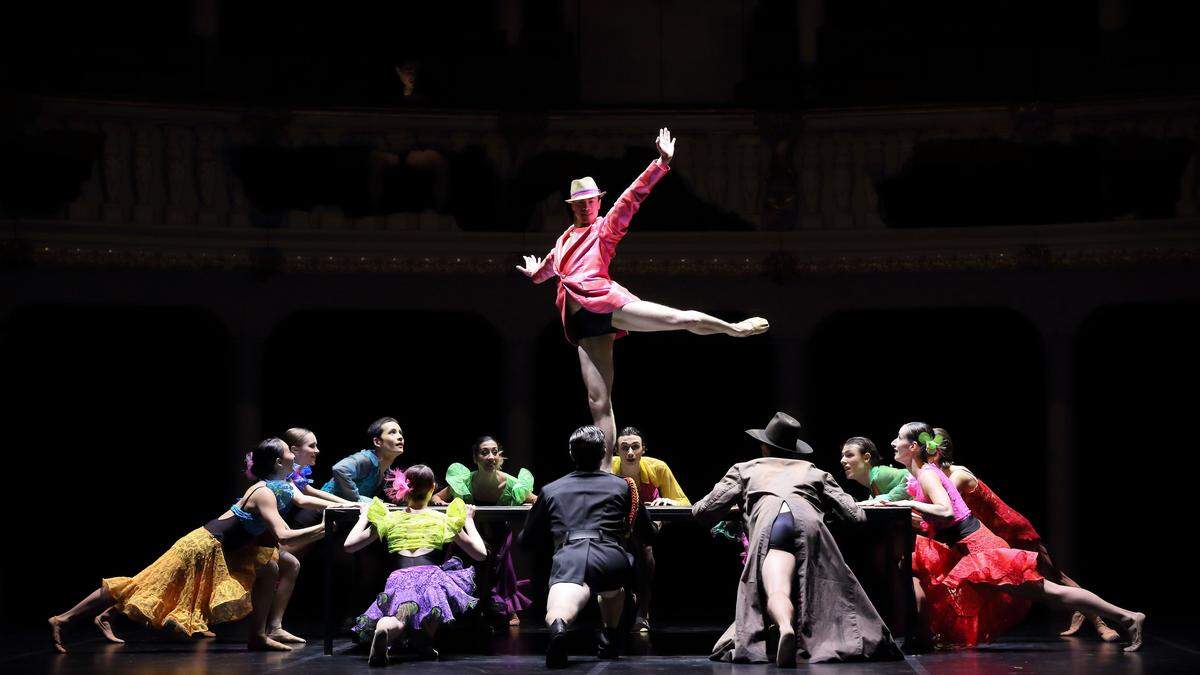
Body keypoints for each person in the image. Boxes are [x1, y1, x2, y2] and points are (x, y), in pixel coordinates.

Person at [517, 128, 769, 456]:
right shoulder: (563, 239)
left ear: (598, 202)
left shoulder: (604, 229)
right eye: (579, 203)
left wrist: (661, 163)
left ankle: (733, 329)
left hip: (605, 303)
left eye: (590, 201)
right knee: (598, 402)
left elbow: (631, 198)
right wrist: (535, 272)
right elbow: (548, 271)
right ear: (571, 206)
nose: (585, 207)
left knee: (680, 318)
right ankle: (605, 470)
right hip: (581, 324)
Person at [48, 438, 328, 653]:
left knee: (268, 568)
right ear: (279, 462)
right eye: (289, 452)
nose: (295, 455)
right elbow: (285, 535)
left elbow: (300, 502)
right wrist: (329, 527)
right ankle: (63, 618)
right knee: (140, 585)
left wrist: (343, 510)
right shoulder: (264, 492)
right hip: (201, 547)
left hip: (227, 550)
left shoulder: (279, 485)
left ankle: (258, 636)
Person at [882, 422, 1145, 651]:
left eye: (899, 437)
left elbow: (946, 510)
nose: (894, 442)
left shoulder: (928, 474)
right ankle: (924, 637)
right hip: (967, 547)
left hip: (981, 548)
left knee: (1051, 592)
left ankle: (1127, 617)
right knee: (1051, 591)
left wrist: (903, 506)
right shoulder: (922, 475)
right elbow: (939, 519)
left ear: (914, 447)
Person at [692, 412, 903, 666]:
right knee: (816, 587)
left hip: (773, 526)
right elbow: (855, 515)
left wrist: (743, 505)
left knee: (777, 587)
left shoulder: (745, 468)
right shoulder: (813, 471)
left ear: (764, 446)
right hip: (810, 527)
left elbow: (704, 512)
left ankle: (785, 627)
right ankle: (808, 635)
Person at [925, 427, 1118, 641]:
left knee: (1054, 575)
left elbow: (940, 506)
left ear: (937, 453)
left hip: (1011, 529)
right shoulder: (940, 476)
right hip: (989, 535)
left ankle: (1101, 624)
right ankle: (1080, 610)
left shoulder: (956, 476)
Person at [520, 426, 655, 668]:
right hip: (611, 556)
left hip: (570, 553)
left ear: (572, 454)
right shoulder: (624, 486)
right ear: (605, 452)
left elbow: (527, 539)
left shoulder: (550, 490)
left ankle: (560, 628)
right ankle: (610, 639)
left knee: (565, 599)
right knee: (613, 589)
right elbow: (647, 533)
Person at [344, 464, 487, 666]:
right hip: (431, 576)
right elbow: (480, 554)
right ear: (433, 487)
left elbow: (349, 546)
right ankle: (423, 639)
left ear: (403, 487)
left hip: (399, 576)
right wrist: (469, 521)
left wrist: (363, 517)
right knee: (437, 595)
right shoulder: (442, 519)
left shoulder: (389, 518)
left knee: (399, 617)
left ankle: (385, 629)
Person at [432, 435, 536, 626]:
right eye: (484, 452)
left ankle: (505, 609)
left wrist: (531, 507)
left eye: (494, 452)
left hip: (498, 535)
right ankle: (467, 610)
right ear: (475, 458)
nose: (490, 457)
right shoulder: (464, 480)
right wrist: (444, 506)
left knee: (500, 569)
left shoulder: (512, 483)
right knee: (467, 569)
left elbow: (536, 500)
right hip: (471, 535)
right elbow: (437, 497)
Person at [612, 426, 689, 632]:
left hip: (648, 523)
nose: (630, 453)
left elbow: (683, 501)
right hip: (618, 523)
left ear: (643, 449)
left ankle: (643, 611)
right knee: (617, 554)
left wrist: (669, 501)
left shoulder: (658, 468)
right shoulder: (609, 469)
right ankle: (625, 602)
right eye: (624, 447)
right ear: (616, 450)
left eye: (635, 447)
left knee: (644, 551)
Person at [321, 417, 406, 503]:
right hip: (321, 508)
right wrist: (357, 499)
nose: (400, 437)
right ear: (377, 442)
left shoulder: (386, 471)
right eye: (392, 432)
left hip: (342, 511)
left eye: (400, 433)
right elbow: (339, 469)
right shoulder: (365, 459)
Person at [839, 436, 910, 504]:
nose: (842, 460)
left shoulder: (879, 474)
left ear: (866, 458)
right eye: (842, 456)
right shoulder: (873, 484)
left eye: (849, 455)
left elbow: (909, 476)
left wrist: (888, 497)